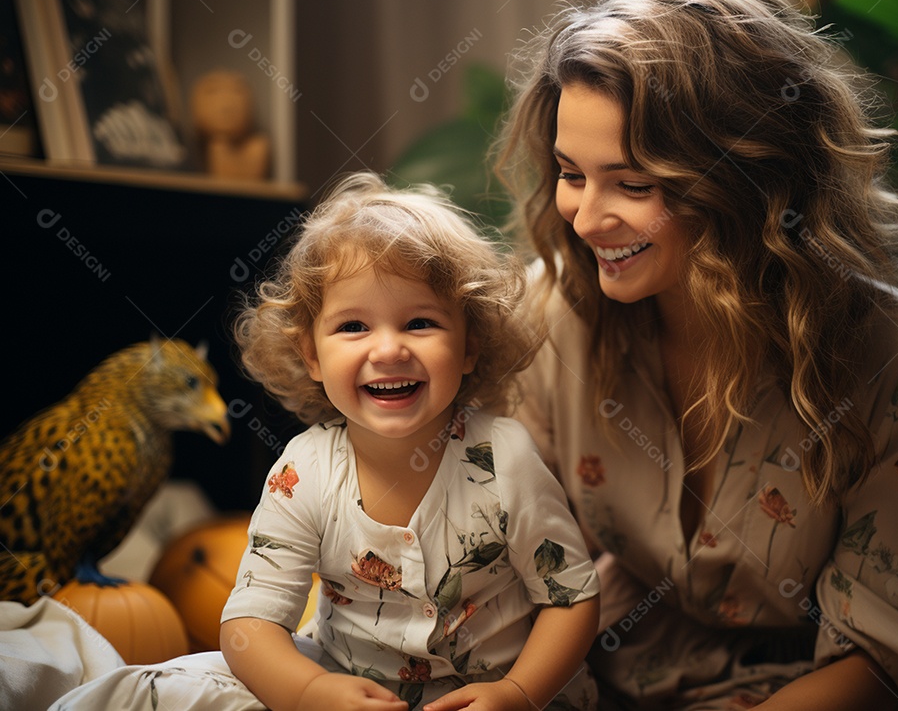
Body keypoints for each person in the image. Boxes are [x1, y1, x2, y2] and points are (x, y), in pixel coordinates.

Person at [494, 0, 898, 710]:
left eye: (631, 184)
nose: (585, 219)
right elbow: (509, 563)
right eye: (569, 174)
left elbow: (884, 660)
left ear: (747, 178)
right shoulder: (550, 315)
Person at [50, 172, 600, 711]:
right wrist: (309, 693)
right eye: (353, 327)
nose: (387, 350)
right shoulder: (304, 472)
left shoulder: (505, 458)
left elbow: (572, 599)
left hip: (501, 692)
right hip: (341, 686)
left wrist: (519, 693)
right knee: (172, 683)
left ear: (470, 346)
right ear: (311, 354)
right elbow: (251, 625)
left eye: (420, 323)